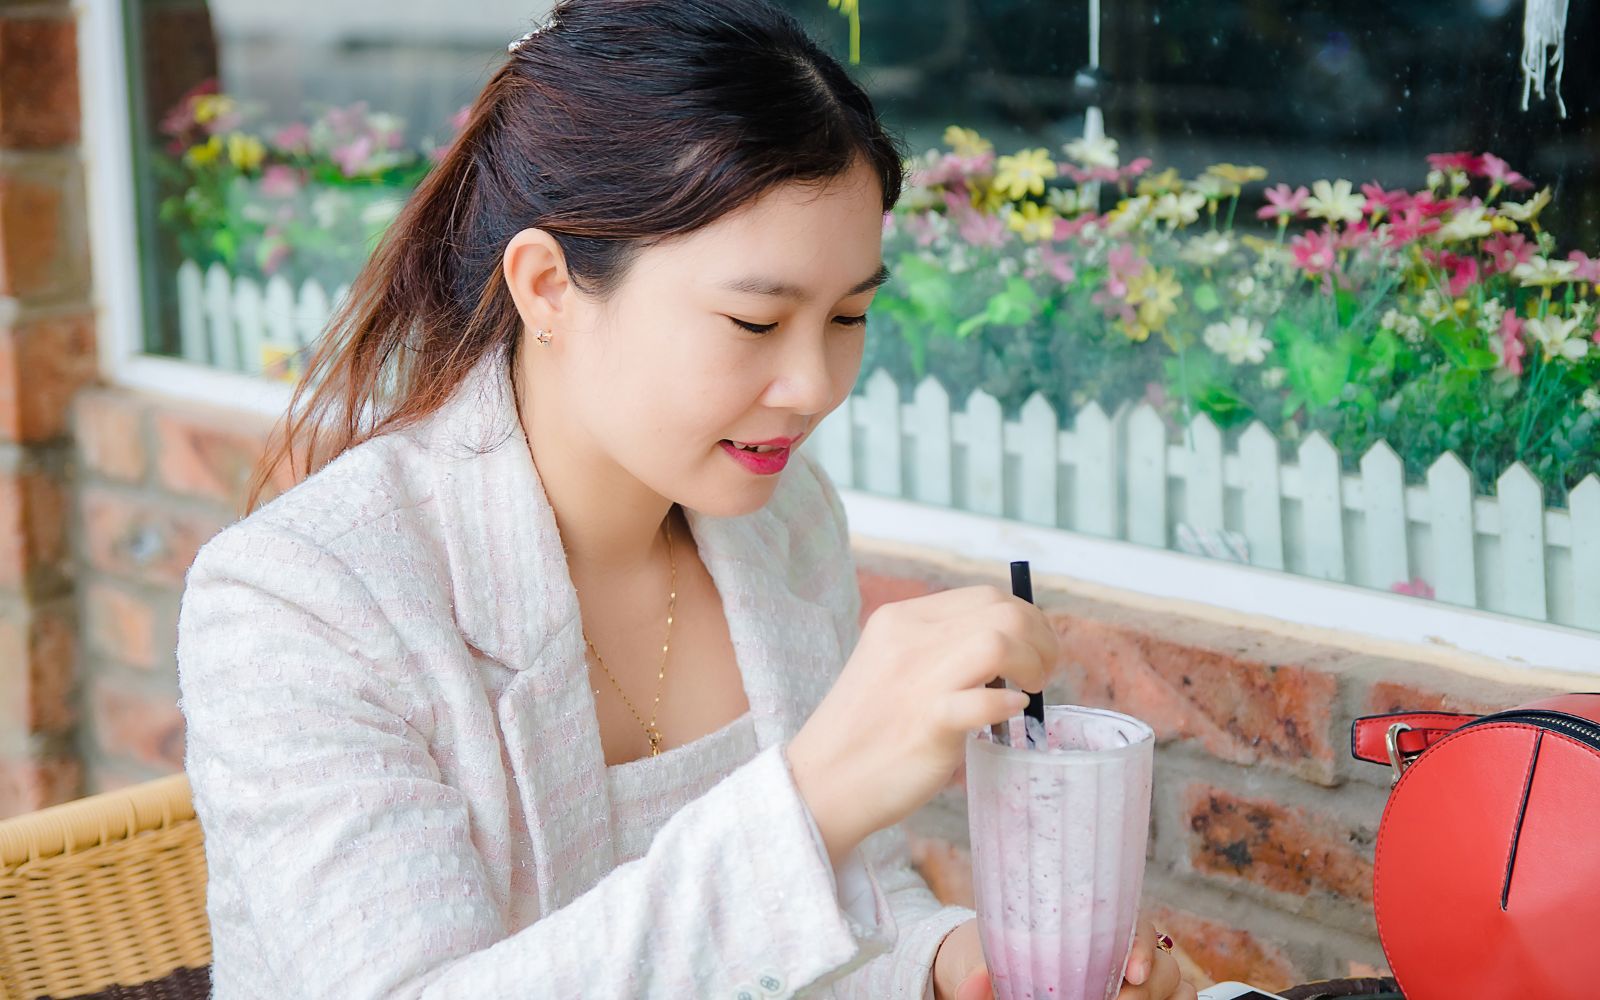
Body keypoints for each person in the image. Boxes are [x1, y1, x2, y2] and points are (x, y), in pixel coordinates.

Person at [174, 2, 1195, 998]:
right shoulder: (302, 602)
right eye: (755, 322)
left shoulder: (784, 520)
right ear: (547, 288)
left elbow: (844, 906)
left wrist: (940, 961)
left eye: (848, 315)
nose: (813, 387)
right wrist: (814, 797)